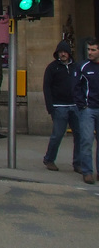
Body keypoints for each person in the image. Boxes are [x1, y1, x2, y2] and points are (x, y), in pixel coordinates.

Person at [42, 40, 81, 173]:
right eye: (60, 52)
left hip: (75, 106)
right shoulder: (52, 68)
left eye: (65, 52)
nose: (63, 54)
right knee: (57, 135)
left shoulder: (77, 67)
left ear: (69, 53)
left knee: (79, 135)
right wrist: (50, 107)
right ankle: (49, 159)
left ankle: (78, 163)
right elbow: (46, 87)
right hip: (59, 106)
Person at [73, 37, 99, 185]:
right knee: (87, 141)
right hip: (88, 110)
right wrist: (82, 105)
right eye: (89, 49)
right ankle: (87, 171)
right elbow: (75, 87)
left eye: (93, 50)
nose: (90, 52)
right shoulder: (83, 66)